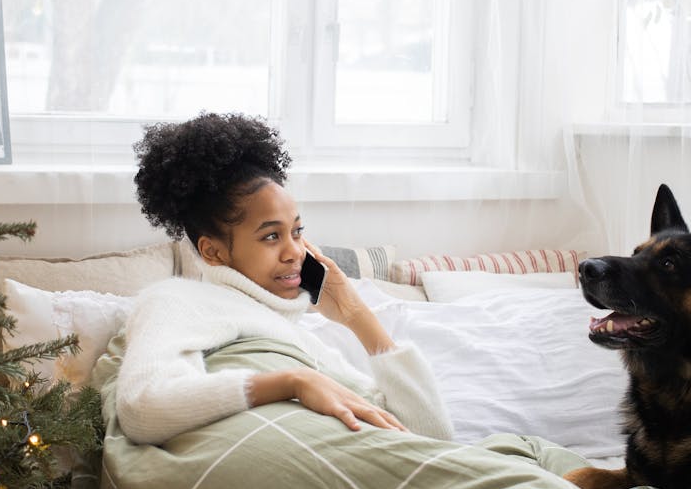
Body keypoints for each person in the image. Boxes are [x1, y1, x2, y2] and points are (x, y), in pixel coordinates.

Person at [116, 111, 454, 445]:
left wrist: (355, 314)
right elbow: (141, 407)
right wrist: (293, 383)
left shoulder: (301, 340)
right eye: (271, 236)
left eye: (297, 231)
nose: (295, 251)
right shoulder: (179, 300)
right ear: (213, 252)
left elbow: (433, 439)